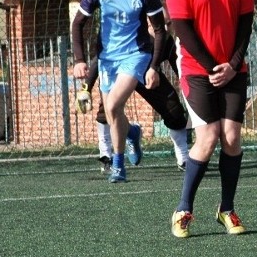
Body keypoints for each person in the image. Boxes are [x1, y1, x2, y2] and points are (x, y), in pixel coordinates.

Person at [166, 0, 255, 238]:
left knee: (231, 137)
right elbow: (182, 29)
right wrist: (211, 66)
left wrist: (232, 63)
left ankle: (226, 209)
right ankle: (183, 209)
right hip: (196, 69)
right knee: (208, 136)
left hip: (234, 69)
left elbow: (246, 22)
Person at [71, 0, 166, 184]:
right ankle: (132, 132)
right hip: (107, 59)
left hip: (136, 55)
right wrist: (80, 60)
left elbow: (159, 30)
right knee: (115, 113)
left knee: (112, 105)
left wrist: (154, 66)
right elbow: (78, 23)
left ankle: (118, 165)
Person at [77, 26, 189, 172]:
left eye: (167, 22)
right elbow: (98, 59)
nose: (165, 27)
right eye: (160, 21)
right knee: (107, 111)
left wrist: (190, 87)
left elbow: (179, 67)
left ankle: (184, 158)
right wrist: (86, 88)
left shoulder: (166, 40)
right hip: (120, 73)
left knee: (173, 108)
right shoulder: (125, 33)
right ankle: (107, 156)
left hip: (147, 74)